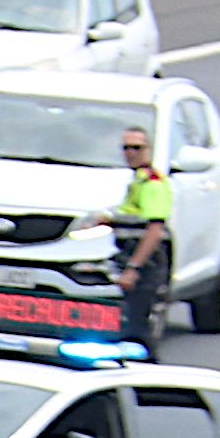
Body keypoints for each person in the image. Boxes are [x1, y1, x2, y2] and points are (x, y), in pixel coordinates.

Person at [80, 125, 175, 349]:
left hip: (145, 261)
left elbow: (154, 230)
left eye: (137, 148)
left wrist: (133, 269)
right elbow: (135, 217)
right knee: (126, 322)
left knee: (137, 328)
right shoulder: (138, 181)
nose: (130, 153)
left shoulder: (153, 184)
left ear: (149, 149)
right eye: (126, 148)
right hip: (130, 255)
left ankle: (145, 371)